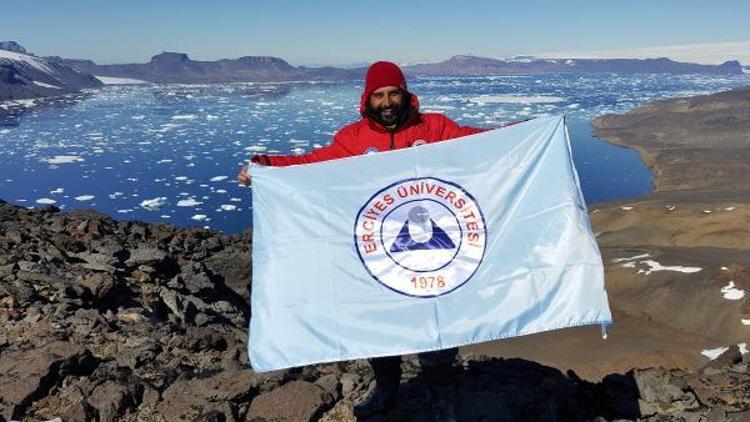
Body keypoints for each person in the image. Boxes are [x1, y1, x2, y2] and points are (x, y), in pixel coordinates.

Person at [237, 61, 485, 418]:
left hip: (432, 251)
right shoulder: (352, 139)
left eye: (393, 93)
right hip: (377, 252)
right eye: (379, 95)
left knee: (437, 323)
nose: (387, 102)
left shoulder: (435, 128)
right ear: (367, 99)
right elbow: (314, 163)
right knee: (379, 322)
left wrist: (528, 132)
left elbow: (482, 142)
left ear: (405, 94)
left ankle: (442, 393)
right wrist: (265, 166)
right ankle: (386, 389)